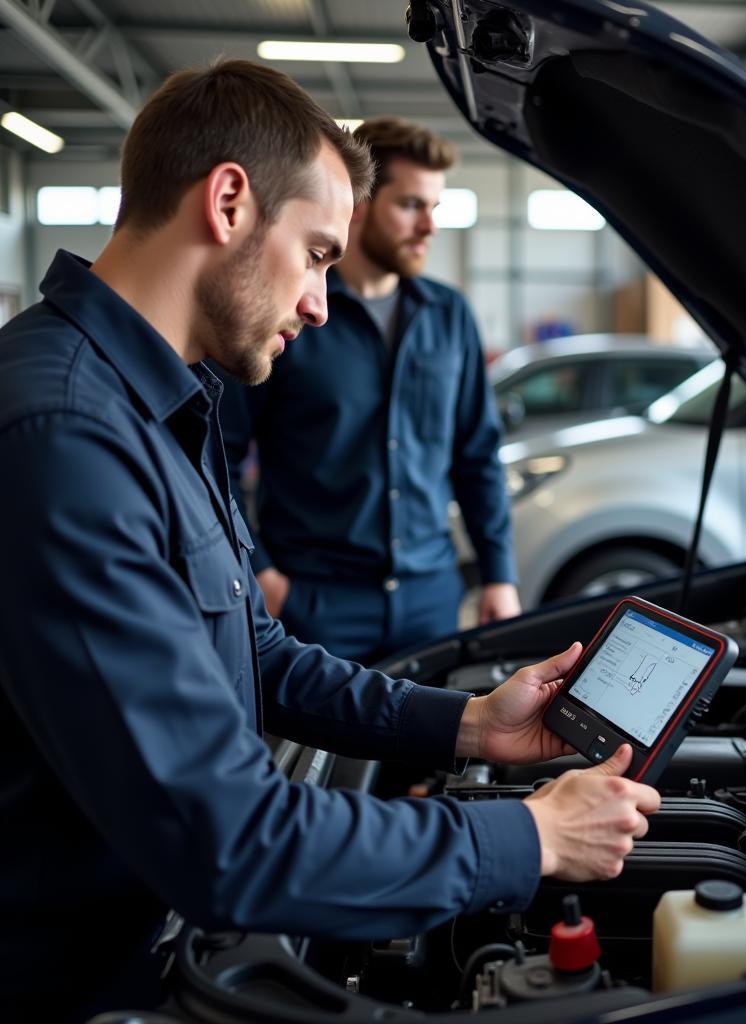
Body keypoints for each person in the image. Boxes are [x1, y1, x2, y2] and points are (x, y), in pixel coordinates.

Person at [0, 61, 659, 1023]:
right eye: (315, 254)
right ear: (228, 201)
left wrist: (469, 724)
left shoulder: (161, 401)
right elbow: (227, 839)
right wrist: (529, 839)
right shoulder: (64, 435)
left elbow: (255, 658)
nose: (319, 301)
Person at [217, 116, 520, 664]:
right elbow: (219, 452)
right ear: (359, 205)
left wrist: (499, 576)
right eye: (411, 206)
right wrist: (260, 572)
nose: (428, 226)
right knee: (309, 753)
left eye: (435, 209)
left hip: (431, 601)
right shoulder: (292, 315)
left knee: (429, 747)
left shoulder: (450, 317)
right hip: (315, 603)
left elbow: (478, 456)